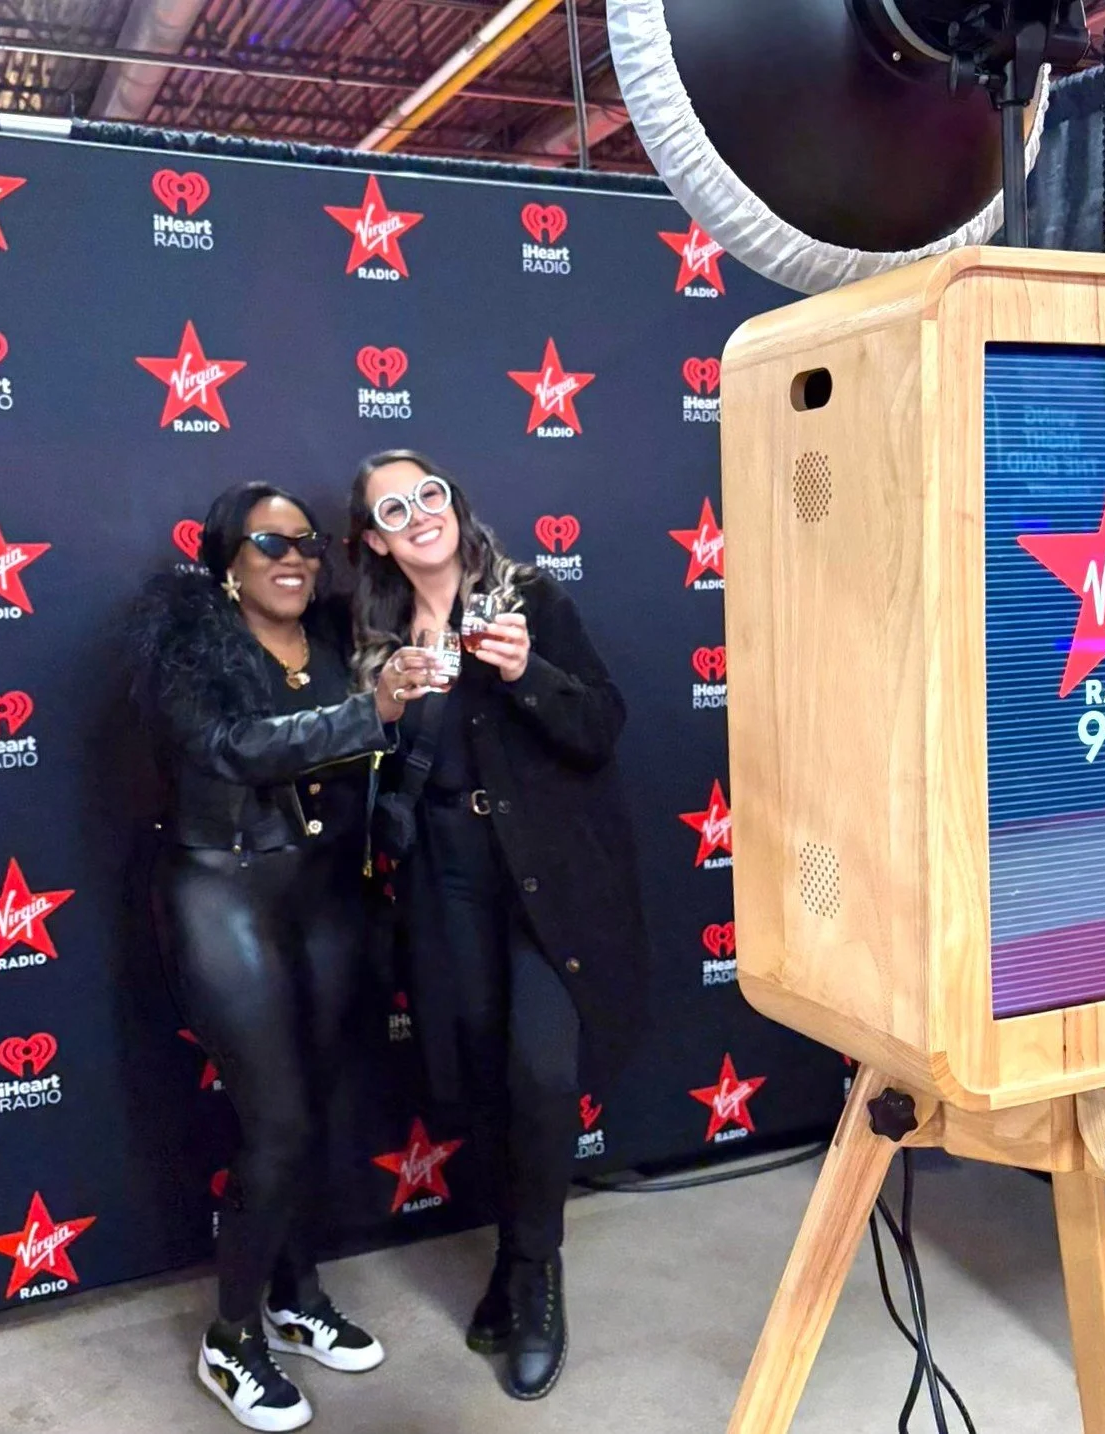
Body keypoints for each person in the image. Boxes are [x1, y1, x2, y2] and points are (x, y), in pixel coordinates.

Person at [129, 482, 438, 1432]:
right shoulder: (189, 646)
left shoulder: (341, 641)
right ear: (228, 562)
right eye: (269, 544)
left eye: (307, 543)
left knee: (315, 1111)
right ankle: (232, 1338)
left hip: (326, 894)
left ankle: (293, 1295)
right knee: (278, 1122)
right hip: (225, 893)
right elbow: (231, 747)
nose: (294, 558)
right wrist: (368, 715)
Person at [347, 449, 650, 1402]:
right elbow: (361, 775)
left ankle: (535, 1277)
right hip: (443, 885)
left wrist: (526, 675)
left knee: (541, 1072)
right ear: (376, 540)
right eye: (393, 508)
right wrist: (385, 705)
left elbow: (603, 724)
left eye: (427, 494)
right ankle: (514, 1255)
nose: (418, 513)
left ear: (453, 503)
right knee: (473, 1074)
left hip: (541, 884)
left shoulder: (531, 601)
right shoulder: (373, 637)